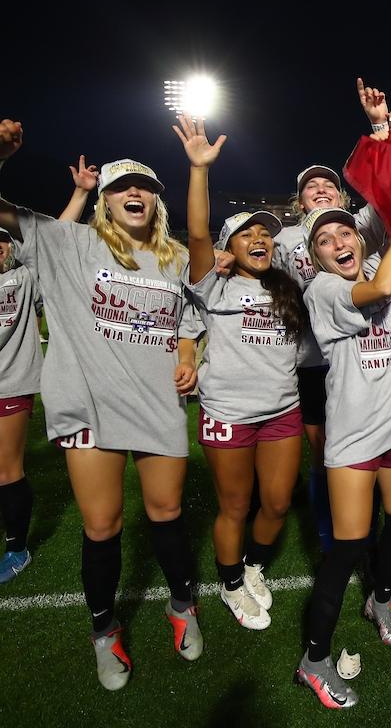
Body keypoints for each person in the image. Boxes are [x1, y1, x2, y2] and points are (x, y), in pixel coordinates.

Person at [0, 141, 202, 690]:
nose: (133, 193)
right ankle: (104, 631)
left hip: (157, 404)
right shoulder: (68, 242)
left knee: (167, 512)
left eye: (145, 187)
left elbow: (190, 322)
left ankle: (182, 606)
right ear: (104, 202)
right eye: (120, 187)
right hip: (87, 403)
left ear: (156, 202)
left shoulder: (176, 258)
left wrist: (187, 358)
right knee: (103, 525)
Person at [175, 116, 306, 629]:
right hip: (228, 413)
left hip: (283, 412)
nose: (260, 239)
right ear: (228, 246)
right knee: (235, 506)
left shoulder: (285, 288)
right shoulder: (215, 284)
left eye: (265, 234)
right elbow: (200, 230)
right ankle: (231, 585)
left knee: (274, 505)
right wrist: (199, 168)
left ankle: (251, 567)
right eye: (247, 233)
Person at [296, 201, 391, 709]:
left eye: (345, 233)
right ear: (316, 257)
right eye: (325, 240)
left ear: (360, 239)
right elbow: (379, 291)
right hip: (353, 440)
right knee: (347, 550)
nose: (339, 243)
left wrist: (383, 134)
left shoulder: (379, 259)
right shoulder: (324, 290)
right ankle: (313, 660)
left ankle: (381, 597)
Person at [274, 78, 389, 553]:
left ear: (342, 199)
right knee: (324, 452)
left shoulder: (358, 226)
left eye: (328, 185)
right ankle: (329, 534)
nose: (320, 190)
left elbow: (387, 197)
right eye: (310, 187)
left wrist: (379, 127)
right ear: (300, 201)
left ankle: (373, 529)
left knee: (372, 446)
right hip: (313, 361)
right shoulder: (281, 240)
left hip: (365, 353)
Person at [0, 120, 44, 584]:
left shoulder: (24, 278)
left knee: (6, 467)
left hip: (11, 384)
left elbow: (53, 239)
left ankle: (16, 547)